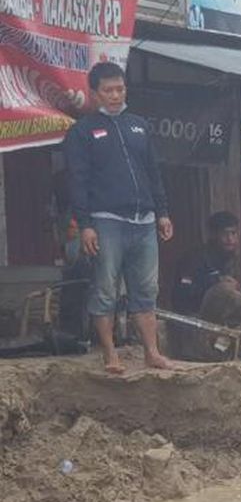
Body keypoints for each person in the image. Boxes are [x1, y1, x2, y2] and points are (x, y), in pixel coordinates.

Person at [64, 62, 173, 374]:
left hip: (144, 221)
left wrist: (162, 212)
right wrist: (85, 225)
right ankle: (110, 354)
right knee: (105, 288)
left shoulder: (139, 125)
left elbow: (154, 172)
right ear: (95, 94)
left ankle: (152, 352)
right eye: (108, 91)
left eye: (120, 89)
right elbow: (78, 181)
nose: (115, 95)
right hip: (105, 220)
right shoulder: (83, 131)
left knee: (146, 290)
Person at [173, 212, 241, 326]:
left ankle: (224, 330)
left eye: (233, 233)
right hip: (195, 312)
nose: (230, 239)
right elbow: (182, 293)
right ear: (214, 235)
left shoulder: (230, 257)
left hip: (224, 310)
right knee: (225, 288)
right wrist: (216, 280)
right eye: (225, 234)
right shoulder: (195, 257)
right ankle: (205, 333)